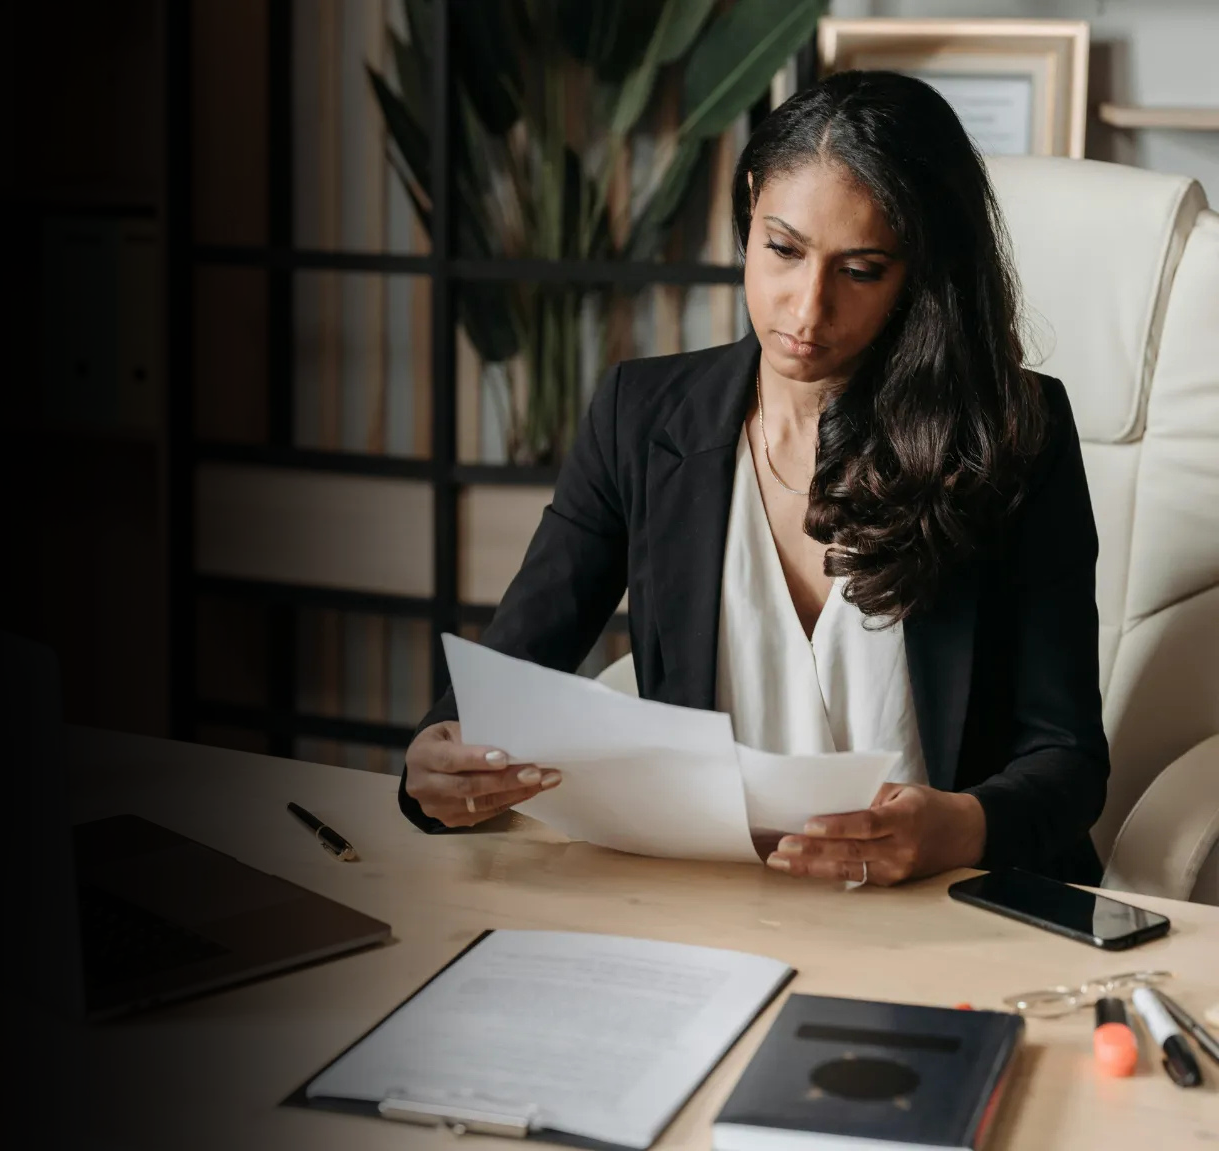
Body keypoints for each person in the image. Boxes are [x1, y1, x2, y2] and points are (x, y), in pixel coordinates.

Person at [399, 70, 1110, 886]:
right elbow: (512, 671)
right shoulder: (642, 416)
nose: (806, 311)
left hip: (948, 902)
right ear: (748, 207)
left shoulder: (1014, 433)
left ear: (922, 271)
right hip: (719, 901)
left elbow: (1068, 760)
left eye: (862, 269)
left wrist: (956, 827)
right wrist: (439, 759)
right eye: (782, 249)